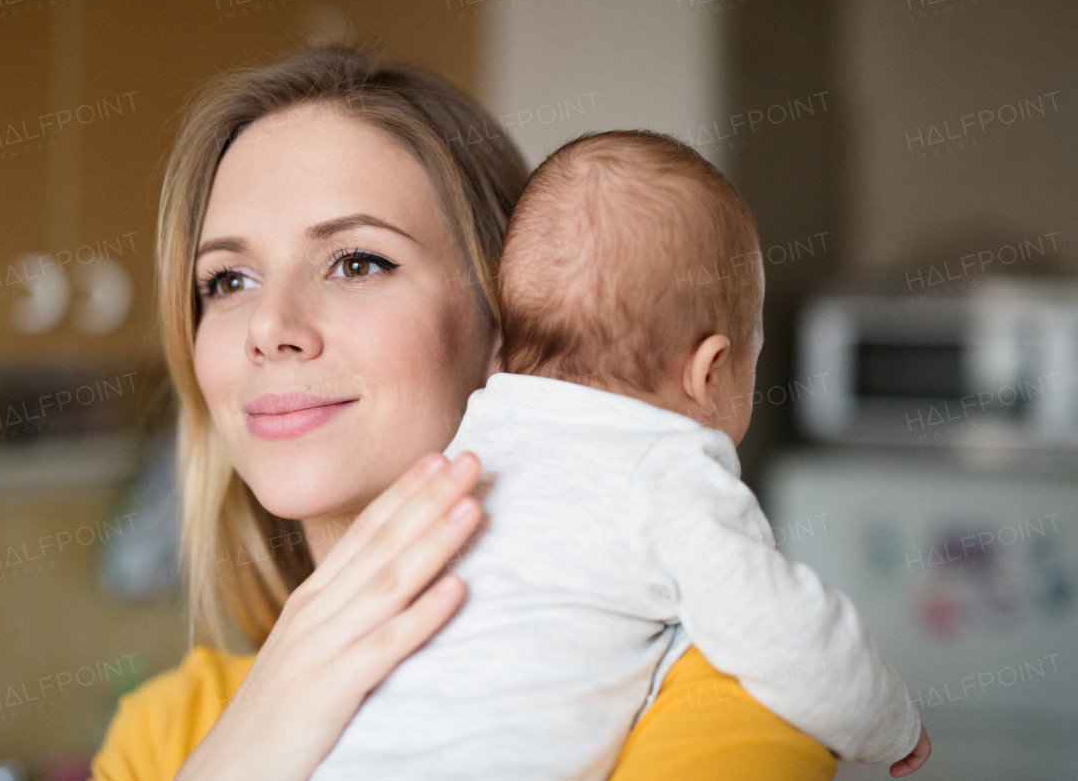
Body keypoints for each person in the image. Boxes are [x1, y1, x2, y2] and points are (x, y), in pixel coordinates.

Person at [88, 46, 840, 781]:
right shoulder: (166, 730)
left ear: (507, 331)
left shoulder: (738, 685)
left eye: (357, 262)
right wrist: (241, 750)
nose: (267, 324)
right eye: (227, 280)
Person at [308, 130, 933, 781]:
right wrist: (890, 721)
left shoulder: (473, 440)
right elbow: (791, 636)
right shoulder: (667, 469)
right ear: (710, 370)